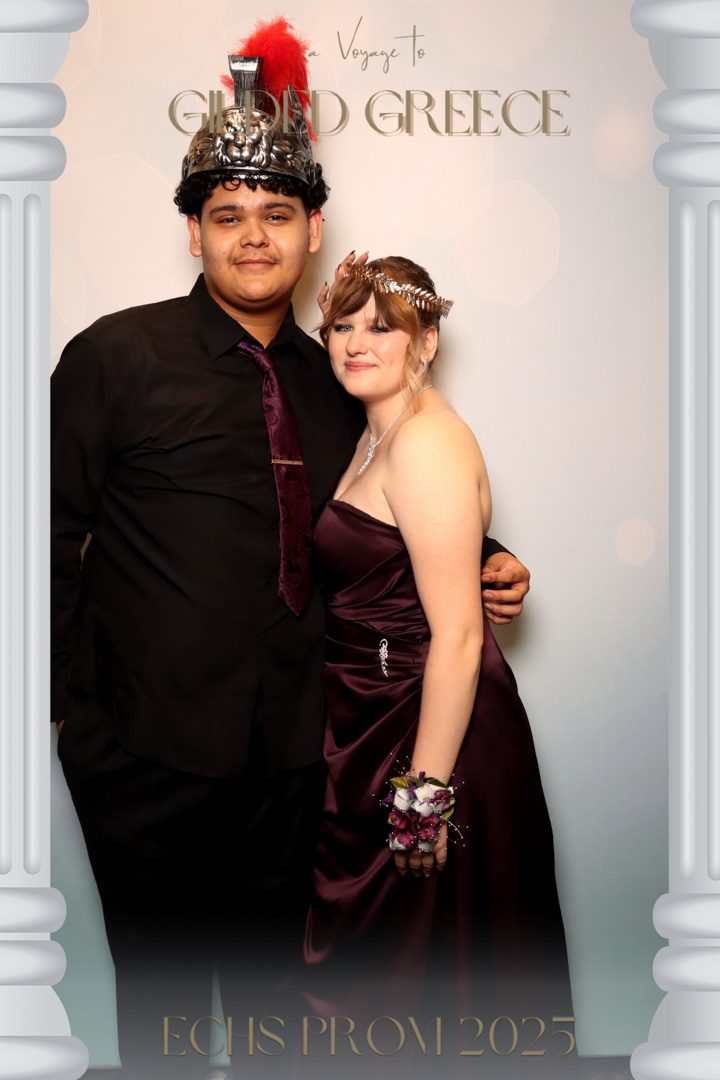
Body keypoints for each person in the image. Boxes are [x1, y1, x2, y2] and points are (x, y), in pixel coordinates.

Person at [51, 20, 530, 1080]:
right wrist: (63, 716)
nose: (253, 237)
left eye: (277, 214)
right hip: (144, 754)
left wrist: (485, 556)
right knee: (166, 1021)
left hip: (300, 761)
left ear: (316, 230)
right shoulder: (113, 357)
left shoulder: (340, 375)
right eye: (228, 217)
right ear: (193, 234)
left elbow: (384, 499)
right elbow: (40, 533)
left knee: (287, 1015)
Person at [303, 257, 574, 1078]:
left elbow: (457, 636)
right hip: (376, 720)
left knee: (428, 968)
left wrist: (422, 802)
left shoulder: (426, 441)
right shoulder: (379, 428)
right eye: (343, 326)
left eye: (381, 327)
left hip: (430, 731)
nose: (356, 343)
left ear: (425, 343)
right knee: (394, 971)